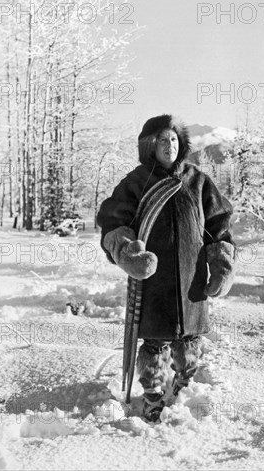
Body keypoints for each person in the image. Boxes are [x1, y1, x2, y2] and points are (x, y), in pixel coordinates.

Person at [97, 114, 236, 421]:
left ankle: (184, 384)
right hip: (153, 284)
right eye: (162, 140)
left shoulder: (198, 181)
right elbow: (112, 223)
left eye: (173, 139)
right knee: (154, 348)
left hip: (191, 282)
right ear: (150, 145)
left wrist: (222, 264)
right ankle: (152, 397)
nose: (169, 145)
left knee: (188, 347)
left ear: (181, 144)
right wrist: (126, 253)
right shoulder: (136, 182)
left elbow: (219, 224)